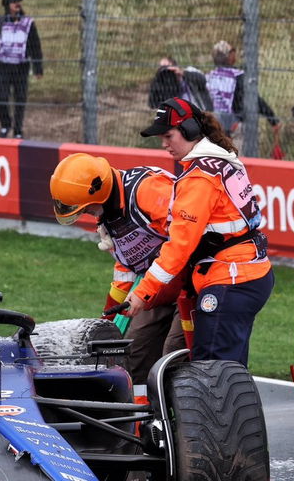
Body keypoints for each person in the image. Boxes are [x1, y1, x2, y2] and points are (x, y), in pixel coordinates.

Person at [123, 98, 273, 364]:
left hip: (230, 280)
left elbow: (179, 247)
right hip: (246, 275)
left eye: (168, 136)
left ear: (191, 130)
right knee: (229, 372)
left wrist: (143, 292)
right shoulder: (221, 161)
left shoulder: (199, 178)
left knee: (210, 374)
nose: (164, 144)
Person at [49, 153, 184, 391]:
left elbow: (186, 241)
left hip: (193, 285)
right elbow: (126, 268)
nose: (85, 214)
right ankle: (141, 421)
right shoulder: (109, 216)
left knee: (172, 357)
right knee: (135, 356)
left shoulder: (148, 191)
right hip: (157, 289)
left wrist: (150, 288)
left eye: (84, 209)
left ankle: (179, 419)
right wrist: (105, 321)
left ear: (96, 193)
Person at [0, 0, 43, 139]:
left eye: (19, 2)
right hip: (4, 66)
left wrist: (38, 68)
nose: (17, 5)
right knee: (1, 96)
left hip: (21, 67)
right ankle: (5, 124)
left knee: (20, 98)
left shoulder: (28, 23)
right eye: (14, 2)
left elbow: (35, 45)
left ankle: (18, 129)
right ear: (7, 6)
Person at [204, 40, 281, 141]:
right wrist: (273, 120)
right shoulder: (238, 76)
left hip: (214, 127)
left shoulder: (209, 77)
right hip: (235, 126)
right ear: (229, 56)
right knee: (238, 154)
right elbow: (255, 99)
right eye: (233, 50)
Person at [147, 56, 211, 113]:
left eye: (167, 67)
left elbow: (203, 80)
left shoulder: (189, 72)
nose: (166, 70)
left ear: (175, 67)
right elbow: (152, 104)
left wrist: (183, 73)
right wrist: (156, 80)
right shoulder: (162, 83)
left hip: (199, 113)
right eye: (162, 68)